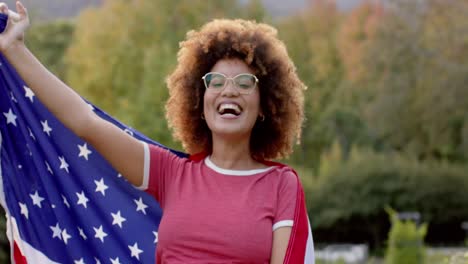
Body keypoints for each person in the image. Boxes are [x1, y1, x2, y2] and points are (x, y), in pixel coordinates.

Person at [0, 1, 311, 263]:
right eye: (215, 82)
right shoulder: (171, 174)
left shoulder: (281, 186)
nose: (228, 91)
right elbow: (85, 122)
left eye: (244, 84)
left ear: (266, 105)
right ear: (199, 102)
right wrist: (15, 49)